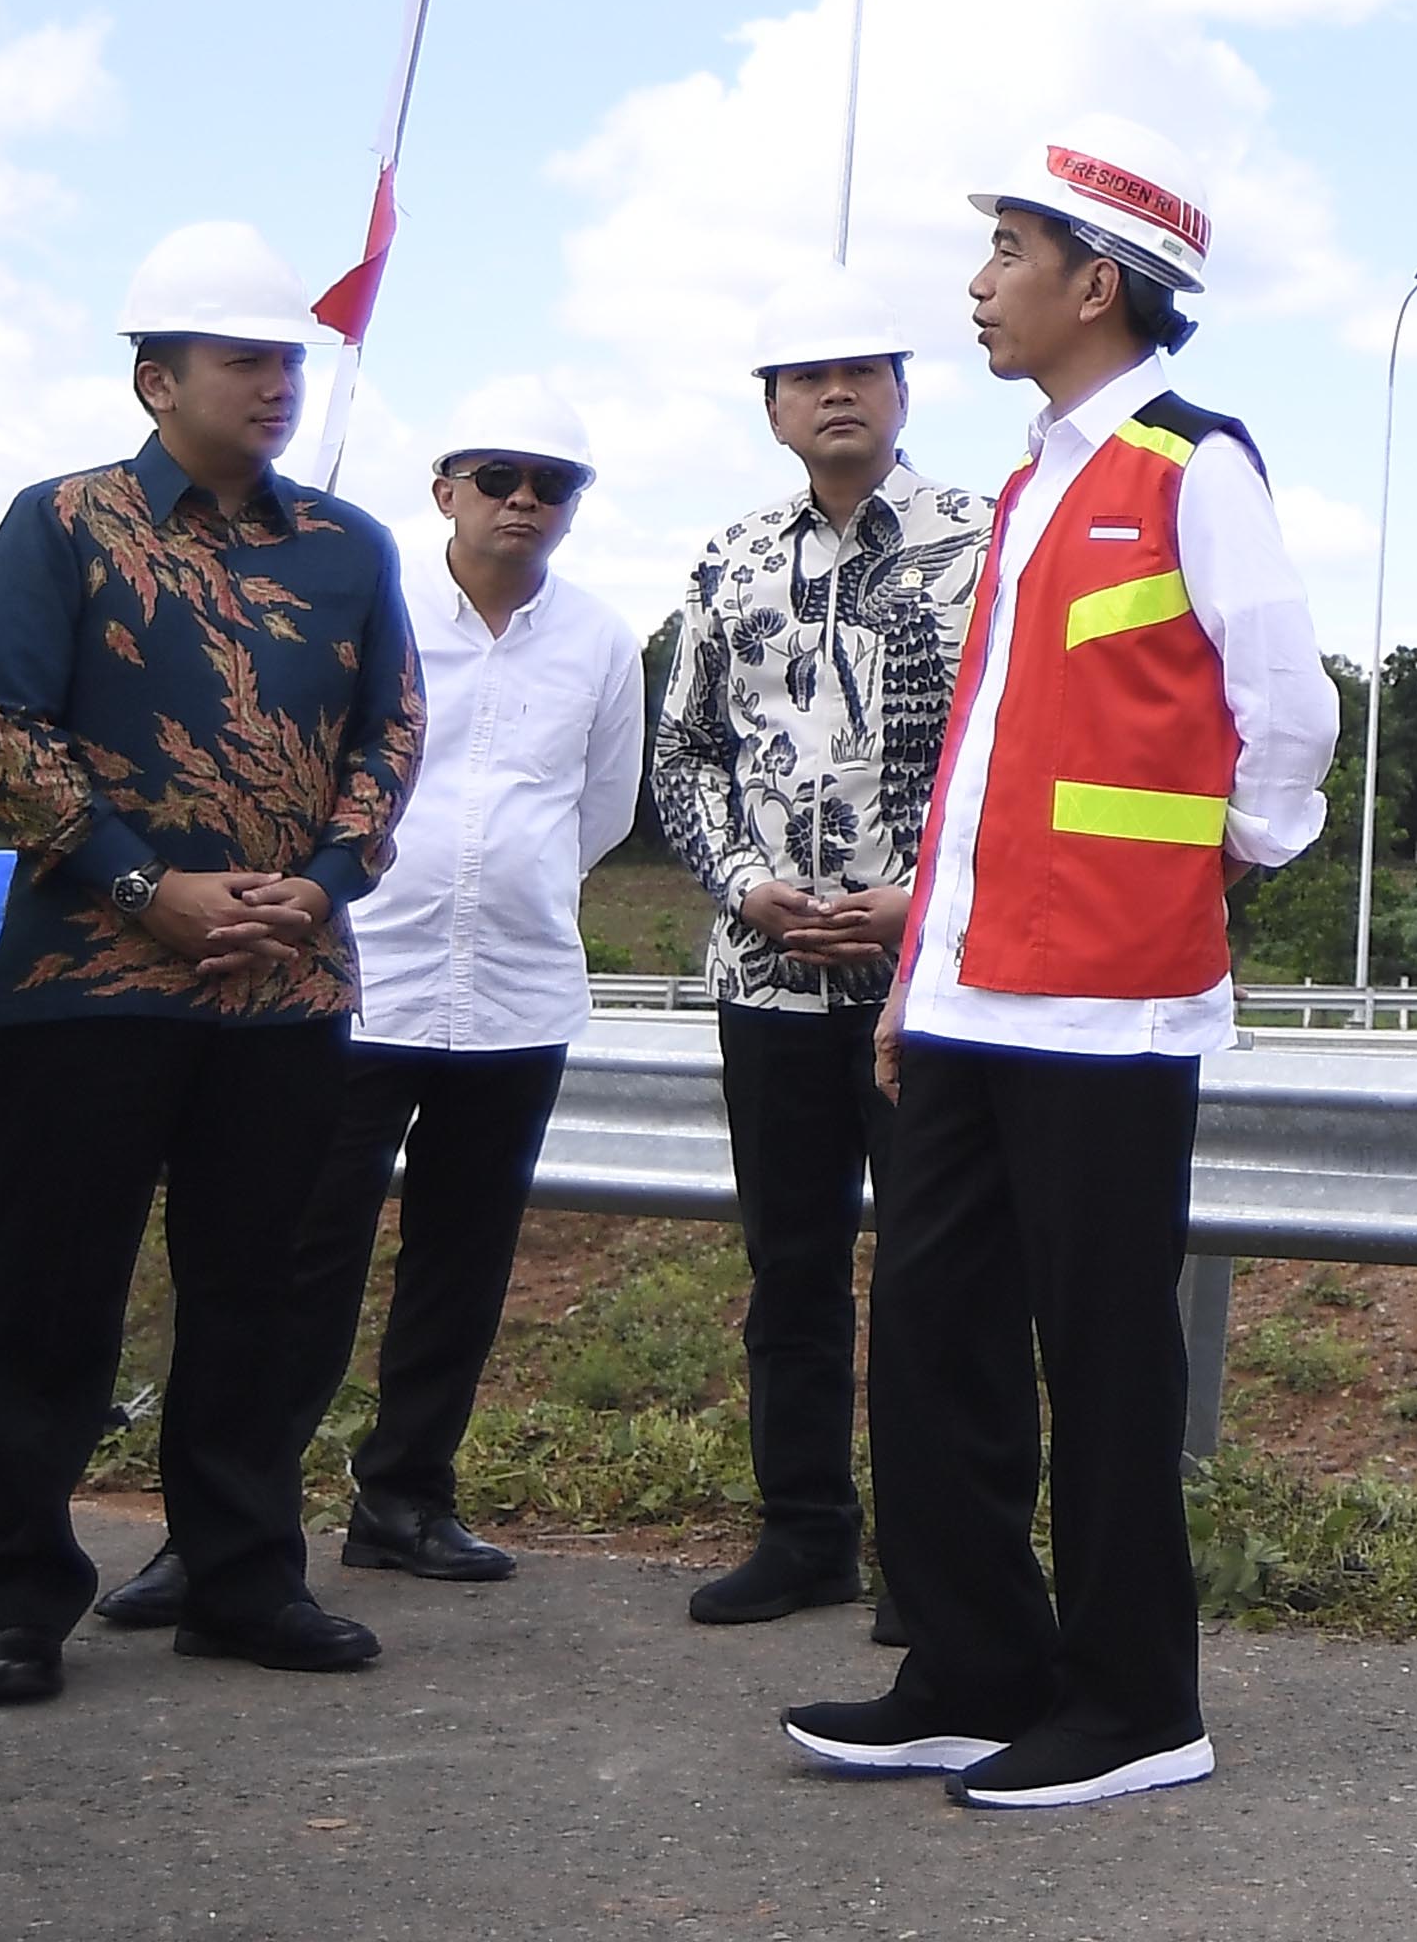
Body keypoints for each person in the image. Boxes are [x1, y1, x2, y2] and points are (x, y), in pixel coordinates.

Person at [786, 121, 1332, 1812]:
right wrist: (912, 973)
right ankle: (972, 1666)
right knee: (933, 1340)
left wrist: (1213, 858)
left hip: (1108, 996)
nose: (977, 284)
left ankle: (1133, 1700)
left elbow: (1288, 713)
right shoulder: (1034, 477)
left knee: (1100, 1357)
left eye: (1007, 254)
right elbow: (984, 763)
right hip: (962, 992)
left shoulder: (1192, 460)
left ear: (1096, 281)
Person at [0, 224, 418, 1708]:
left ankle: (241, 1573)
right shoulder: (63, 525)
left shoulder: (348, 548)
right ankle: (14, 1596)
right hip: (94, 981)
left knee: (256, 1293)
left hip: (284, 991)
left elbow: (387, 738)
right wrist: (148, 889)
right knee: (53, 1294)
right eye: (244, 359)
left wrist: (321, 890)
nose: (276, 384)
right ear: (157, 378)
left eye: (288, 361)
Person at [122, 382, 633, 1614]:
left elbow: (603, 807)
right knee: (296, 1262)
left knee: (463, 1264)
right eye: (497, 474)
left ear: (573, 507)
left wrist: (517, 887)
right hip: (362, 982)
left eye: (549, 482)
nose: (523, 499)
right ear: (444, 487)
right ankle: (222, 1530)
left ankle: (407, 1497)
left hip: (515, 991)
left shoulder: (602, 641)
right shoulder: (371, 613)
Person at [642, 268, 994, 1627]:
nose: (838, 392)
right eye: (808, 376)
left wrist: (923, 899)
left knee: (937, 1279)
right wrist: (742, 883)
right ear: (773, 407)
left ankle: (936, 1561)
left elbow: (1013, 752)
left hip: (932, 983)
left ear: (904, 391)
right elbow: (683, 753)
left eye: (864, 368)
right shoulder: (730, 560)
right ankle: (803, 1533)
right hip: (769, 982)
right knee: (787, 1269)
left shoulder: (983, 539)